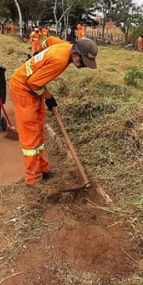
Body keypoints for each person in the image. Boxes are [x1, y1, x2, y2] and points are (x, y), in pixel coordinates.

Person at [9, 36, 99, 185]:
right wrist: (48, 97)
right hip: (23, 89)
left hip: (34, 87)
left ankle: (43, 169)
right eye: (83, 62)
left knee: (38, 129)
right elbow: (32, 83)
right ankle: (33, 178)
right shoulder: (59, 61)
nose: (83, 66)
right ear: (75, 54)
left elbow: (49, 40)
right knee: (30, 134)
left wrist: (38, 55)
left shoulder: (65, 46)